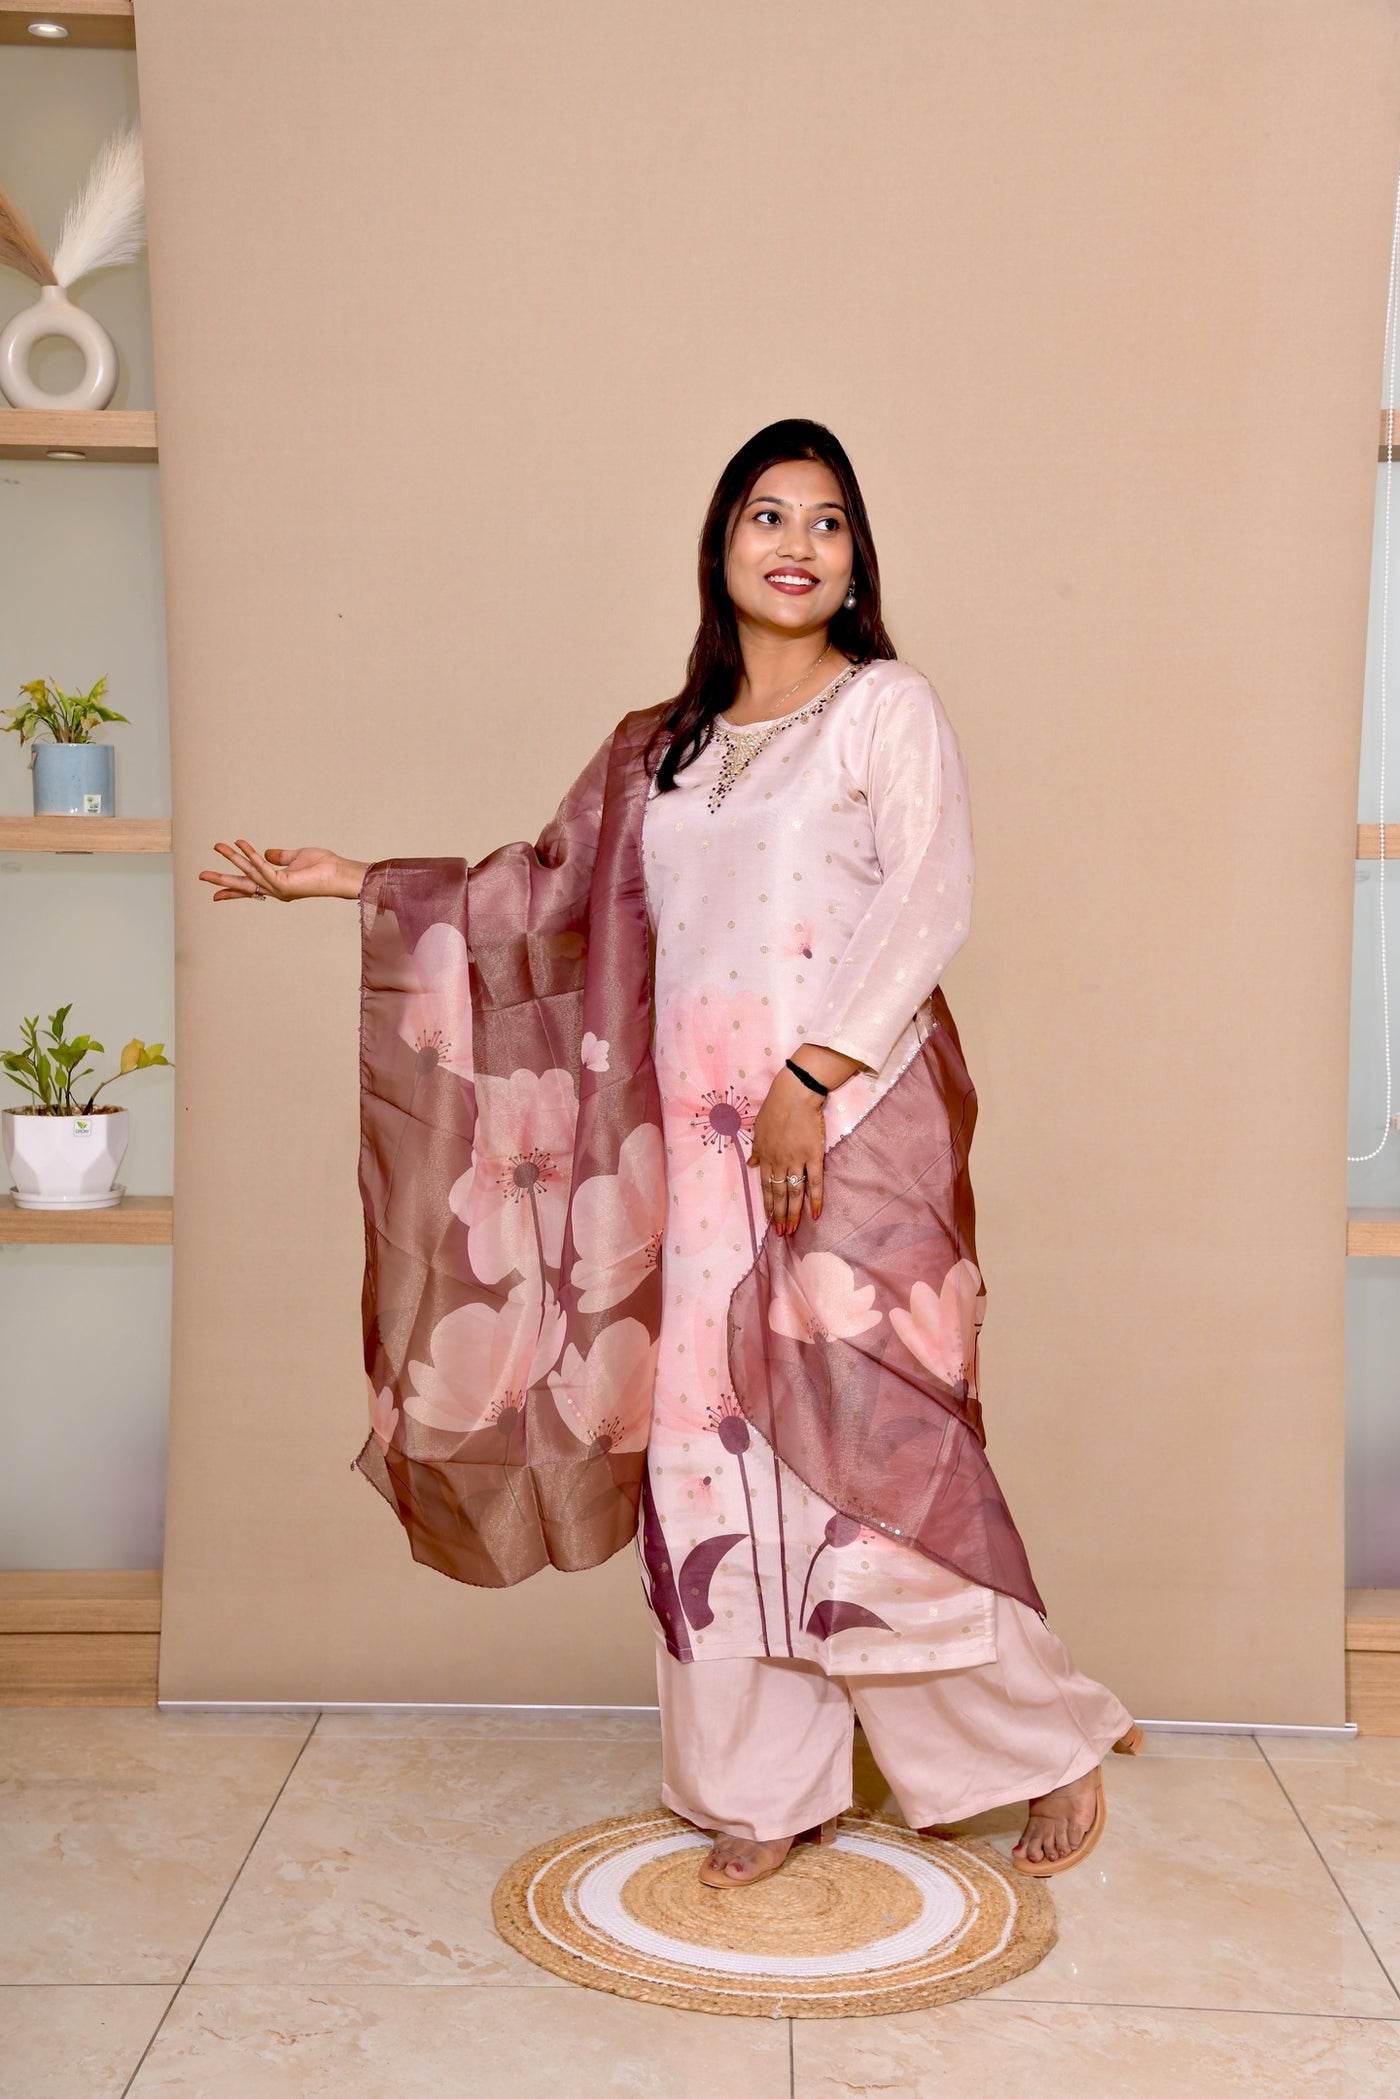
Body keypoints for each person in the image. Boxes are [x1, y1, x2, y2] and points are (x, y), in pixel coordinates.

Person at [201, 417, 1140, 1890]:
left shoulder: (884, 710)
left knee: (873, 1453)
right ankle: (762, 1791)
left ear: (856, 561)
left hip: (848, 1129)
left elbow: (931, 897)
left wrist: (809, 1080)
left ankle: (1040, 1745)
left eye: (826, 522)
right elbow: (545, 891)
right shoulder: (663, 749)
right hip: (690, 1161)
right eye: (767, 515)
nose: (795, 544)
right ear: (720, 546)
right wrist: (358, 881)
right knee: (710, 1459)